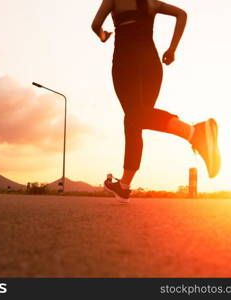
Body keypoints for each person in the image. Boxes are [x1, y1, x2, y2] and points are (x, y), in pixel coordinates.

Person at [91, 0, 221, 203]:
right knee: (136, 119)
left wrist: (104, 36)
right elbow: (182, 14)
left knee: (135, 117)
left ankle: (196, 133)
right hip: (152, 65)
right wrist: (172, 49)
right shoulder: (151, 2)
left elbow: (95, 25)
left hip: (126, 62)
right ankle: (124, 186)